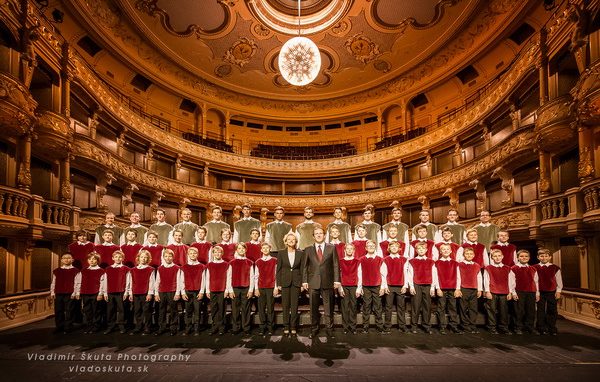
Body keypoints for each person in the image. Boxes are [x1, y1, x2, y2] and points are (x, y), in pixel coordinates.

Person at [303, 227, 341, 338]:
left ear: (324, 235)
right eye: (316, 233)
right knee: (313, 308)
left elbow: (335, 265)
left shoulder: (331, 248)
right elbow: (304, 267)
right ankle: (314, 329)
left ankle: (329, 329)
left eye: (321, 233)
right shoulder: (308, 249)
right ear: (313, 236)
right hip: (313, 282)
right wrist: (304, 281)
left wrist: (337, 280)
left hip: (328, 282)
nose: (319, 235)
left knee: (328, 308)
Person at [276, 233, 304, 336]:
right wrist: (278, 283)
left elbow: (302, 269)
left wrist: (301, 284)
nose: (291, 241)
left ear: (296, 241)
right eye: (289, 239)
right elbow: (278, 270)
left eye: (293, 239)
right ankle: (286, 326)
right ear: (286, 241)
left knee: (294, 306)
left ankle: (293, 327)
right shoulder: (281, 253)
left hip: (296, 282)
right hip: (285, 282)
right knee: (285, 306)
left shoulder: (301, 253)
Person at [357, 240, 387, 334]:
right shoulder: (361, 259)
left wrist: (383, 287)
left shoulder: (380, 259)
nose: (370, 247)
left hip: (377, 285)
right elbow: (359, 274)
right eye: (368, 246)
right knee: (366, 306)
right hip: (366, 286)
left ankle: (379, 326)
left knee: (378, 307)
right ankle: (365, 326)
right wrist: (360, 287)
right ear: (366, 248)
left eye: (372, 246)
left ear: (375, 248)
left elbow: (384, 274)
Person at [408, 241, 438, 334]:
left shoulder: (431, 261)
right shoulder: (412, 261)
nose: (421, 250)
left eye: (423, 249)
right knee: (415, 306)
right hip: (417, 285)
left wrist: (433, 287)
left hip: (428, 285)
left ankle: (426, 326)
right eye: (419, 249)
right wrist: (411, 286)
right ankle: (414, 326)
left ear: (426, 250)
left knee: (427, 306)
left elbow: (434, 274)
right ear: (416, 250)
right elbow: (410, 274)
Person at [204, 245, 232, 335]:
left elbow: (229, 278)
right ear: (213, 254)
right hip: (212, 289)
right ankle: (214, 326)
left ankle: (221, 327)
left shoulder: (226, 264)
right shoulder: (209, 265)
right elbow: (207, 278)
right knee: (214, 308)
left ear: (222, 253)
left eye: (219, 252)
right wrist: (207, 290)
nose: (217, 254)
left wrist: (227, 290)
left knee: (222, 308)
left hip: (222, 290)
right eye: (215, 252)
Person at [74, 252, 105, 334]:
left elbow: (102, 283)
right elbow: (78, 282)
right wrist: (77, 292)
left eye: (94, 259)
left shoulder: (101, 271)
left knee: (96, 310)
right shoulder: (83, 271)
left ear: (97, 261)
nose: (92, 261)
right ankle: (89, 325)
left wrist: (100, 293)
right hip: (85, 293)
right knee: (87, 310)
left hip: (95, 293)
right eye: (90, 259)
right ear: (87, 261)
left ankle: (96, 326)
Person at [154, 248, 182, 336]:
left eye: (170, 256)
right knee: (161, 310)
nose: (168, 258)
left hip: (172, 291)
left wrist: (177, 293)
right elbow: (157, 281)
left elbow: (179, 281)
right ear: (163, 257)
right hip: (162, 291)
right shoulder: (160, 268)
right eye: (166, 256)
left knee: (173, 310)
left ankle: (173, 327)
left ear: (173, 257)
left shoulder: (177, 268)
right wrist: (156, 293)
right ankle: (161, 327)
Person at [101, 250, 130, 334]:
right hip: (110, 292)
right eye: (116, 257)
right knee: (110, 310)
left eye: (120, 257)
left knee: (122, 309)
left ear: (123, 258)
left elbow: (128, 281)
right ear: (113, 258)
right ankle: (111, 326)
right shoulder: (108, 269)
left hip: (121, 291)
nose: (118, 258)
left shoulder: (126, 269)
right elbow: (105, 281)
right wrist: (105, 292)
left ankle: (121, 325)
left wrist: (126, 292)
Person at [383, 241, 410, 333]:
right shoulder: (385, 259)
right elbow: (383, 274)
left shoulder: (404, 259)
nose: (394, 248)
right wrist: (385, 286)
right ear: (389, 248)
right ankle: (387, 326)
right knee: (388, 306)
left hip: (400, 286)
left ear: (399, 249)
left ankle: (402, 325)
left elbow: (406, 273)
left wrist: (405, 285)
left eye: (396, 246)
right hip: (389, 286)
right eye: (392, 246)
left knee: (401, 307)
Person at [483, 249, 512, 334]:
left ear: (502, 256)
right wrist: (487, 291)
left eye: (499, 256)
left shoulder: (507, 268)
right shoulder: (488, 268)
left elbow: (510, 281)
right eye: (495, 256)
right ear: (492, 258)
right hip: (492, 291)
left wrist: (510, 292)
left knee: (503, 310)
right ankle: (492, 327)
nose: (497, 257)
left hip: (504, 292)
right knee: (491, 310)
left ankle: (503, 327)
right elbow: (486, 280)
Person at [535, 248, 563, 335]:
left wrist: (558, 291)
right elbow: (535, 281)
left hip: (552, 291)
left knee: (552, 310)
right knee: (540, 310)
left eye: (546, 256)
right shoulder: (534, 267)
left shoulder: (555, 268)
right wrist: (537, 293)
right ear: (538, 257)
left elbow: (559, 280)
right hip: (540, 292)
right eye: (542, 256)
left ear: (550, 257)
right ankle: (541, 327)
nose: (544, 258)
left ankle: (551, 327)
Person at [510, 249, 539, 334]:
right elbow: (512, 282)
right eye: (521, 256)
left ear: (529, 258)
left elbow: (536, 282)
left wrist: (537, 293)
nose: (524, 258)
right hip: (519, 291)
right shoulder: (513, 268)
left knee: (531, 310)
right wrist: (513, 292)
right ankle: (518, 327)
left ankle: (530, 326)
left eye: (526, 256)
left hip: (531, 291)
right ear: (518, 258)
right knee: (519, 310)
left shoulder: (533, 269)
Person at [434, 243, 461, 334]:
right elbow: (435, 276)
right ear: (440, 252)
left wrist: (457, 288)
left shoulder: (455, 263)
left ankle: (453, 326)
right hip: (442, 288)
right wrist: (438, 288)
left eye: (447, 249)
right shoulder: (437, 263)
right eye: (443, 249)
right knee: (441, 307)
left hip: (452, 288)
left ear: (450, 251)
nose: (445, 251)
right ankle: (442, 326)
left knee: (452, 307)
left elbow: (458, 276)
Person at [127, 249, 155, 335]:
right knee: (137, 310)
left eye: (145, 257)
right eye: (142, 257)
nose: (143, 259)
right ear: (138, 258)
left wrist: (150, 293)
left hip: (145, 293)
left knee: (147, 311)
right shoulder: (133, 270)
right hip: (136, 293)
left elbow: (152, 282)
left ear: (148, 259)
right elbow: (130, 282)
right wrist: (130, 293)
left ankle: (147, 328)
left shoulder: (150, 269)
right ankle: (138, 327)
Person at [50, 253, 79, 334]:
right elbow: (53, 282)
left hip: (70, 293)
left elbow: (77, 283)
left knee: (69, 310)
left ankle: (68, 327)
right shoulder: (57, 271)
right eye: (64, 258)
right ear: (61, 260)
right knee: (58, 310)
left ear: (72, 260)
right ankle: (59, 326)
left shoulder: (75, 270)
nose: (66, 259)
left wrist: (75, 292)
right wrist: (52, 292)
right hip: (58, 293)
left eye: (69, 258)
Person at [229, 243, 255, 335]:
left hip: (246, 288)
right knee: (235, 309)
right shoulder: (232, 262)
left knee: (246, 308)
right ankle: (236, 327)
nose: (241, 250)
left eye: (243, 248)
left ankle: (246, 327)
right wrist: (230, 290)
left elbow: (252, 276)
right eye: (239, 248)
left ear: (245, 250)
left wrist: (251, 289)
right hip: (235, 288)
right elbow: (229, 277)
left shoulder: (249, 262)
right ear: (236, 250)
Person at [180, 247, 206, 336]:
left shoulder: (202, 266)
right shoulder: (184, 267)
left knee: (197, 311)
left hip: (198, 291)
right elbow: (181, 280)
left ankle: (196, 329)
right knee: (188, 311)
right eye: (191, 253)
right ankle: (188, 328)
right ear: (188, 255)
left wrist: (202, 291)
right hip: (187, 291)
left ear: (197, 255)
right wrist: (183, 292)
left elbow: (203, 280)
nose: (192, 255)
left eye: (194, 253)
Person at [457, 247, 482, 334]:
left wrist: (479, 289)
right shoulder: (460, 265)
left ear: (474, 255)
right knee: (463, 308)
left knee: (473, 308)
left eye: (471, 254)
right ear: (464, 255)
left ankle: (472, 325)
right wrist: (458, 288)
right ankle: (465, 325)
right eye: (467, 254)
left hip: (474, 289)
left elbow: (479, 278)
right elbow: (458, 277)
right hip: (464, 288)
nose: (469, 255)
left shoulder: (477, 265)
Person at [254, 242, 278, 335]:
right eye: (263, 248)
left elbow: (276, 275)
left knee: (270, 307)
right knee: (261, 308)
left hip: (271, 287)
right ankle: (262, 326)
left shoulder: (274, 260)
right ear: (261, 250)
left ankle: (270, 326)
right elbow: (256, 276)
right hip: (261, 287)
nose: (265, 249)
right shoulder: (258, 261)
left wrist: (276, 287)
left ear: (270, 249)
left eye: (267, 248)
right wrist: (256, 288)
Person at [338, 243, 360, 334]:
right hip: (344, 286)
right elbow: (338, 275)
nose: (349, 250)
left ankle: (353, 326)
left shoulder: (357, 261)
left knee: (353, 306)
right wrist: (340, 288)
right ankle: (345, 327)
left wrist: (359, 288)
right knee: (345, 306)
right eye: (348, 249)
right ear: (345, 250)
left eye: (351, 249)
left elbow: (360, 274)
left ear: (354, 250)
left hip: (354, 285)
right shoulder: (341, 261)